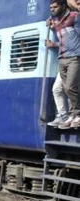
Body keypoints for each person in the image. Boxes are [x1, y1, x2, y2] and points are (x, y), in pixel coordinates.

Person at [47, 0, 80, 129]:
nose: (52, 9)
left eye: (55, 7)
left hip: (74, 57)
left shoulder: (74, 17)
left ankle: (77, 114)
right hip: (62, 57)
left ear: (63, 6)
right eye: (51, 7)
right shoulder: (56, 22)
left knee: (70, 87)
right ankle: (71, 115)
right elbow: (64, 41)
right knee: (66, 89)